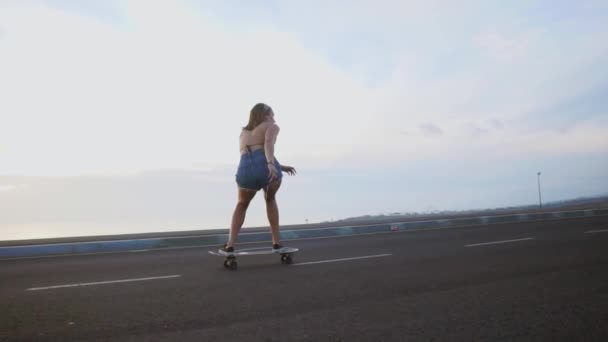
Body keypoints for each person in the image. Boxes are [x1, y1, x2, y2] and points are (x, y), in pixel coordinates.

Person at [220, 103, 297, 255]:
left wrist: (279, 166)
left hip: (245, 170)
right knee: (270, 200)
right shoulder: (271, 126)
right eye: (272, 114)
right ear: (264, 114)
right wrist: (271, 165)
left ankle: (230, 244)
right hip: (265, 168)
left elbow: (254, 154)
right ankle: (276, 242)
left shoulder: (243, 132)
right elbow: (267, 145)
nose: (274, 117)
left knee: (241, 204)